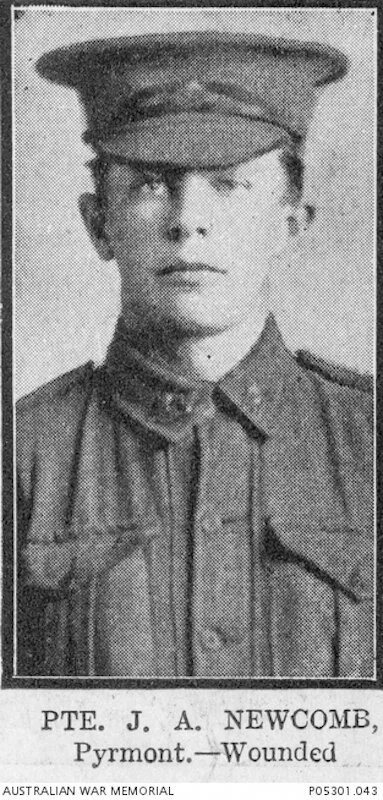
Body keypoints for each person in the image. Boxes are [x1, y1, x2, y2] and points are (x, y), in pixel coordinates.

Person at [16, 31, 373, 678]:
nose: (187, 220)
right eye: (151, 183)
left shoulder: (366, 440)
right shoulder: (24, 455)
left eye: (228, 184)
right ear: (99, 224)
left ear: (290, 220)